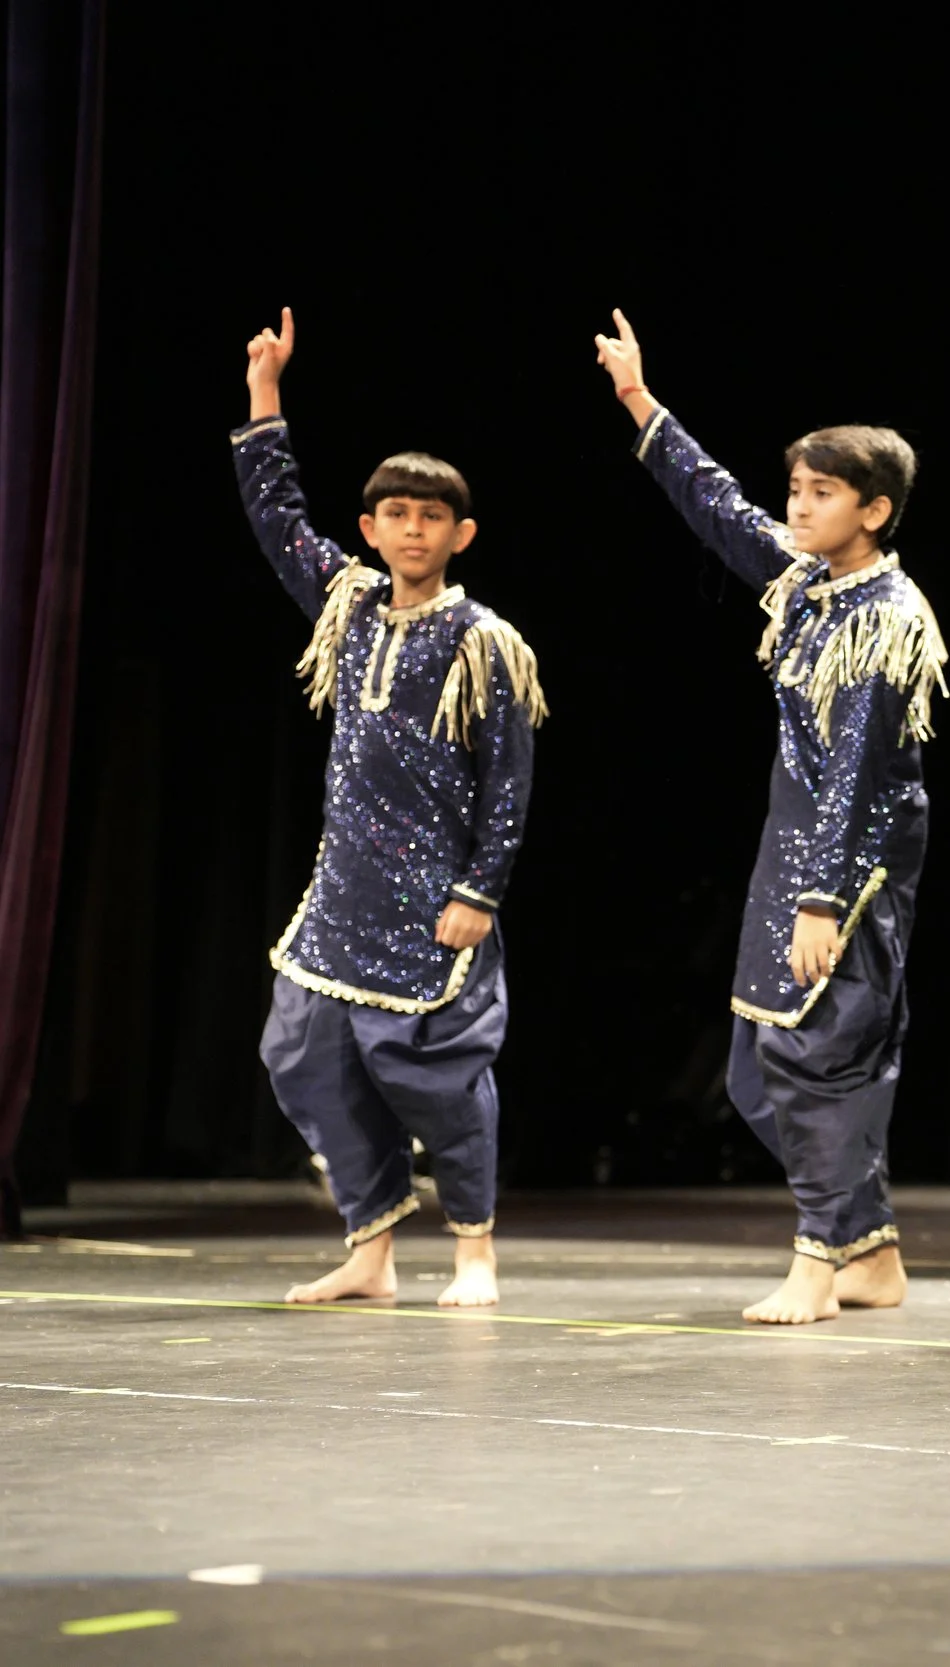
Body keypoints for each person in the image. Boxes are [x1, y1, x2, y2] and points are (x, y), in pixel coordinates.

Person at [593, 310, 944, 1325]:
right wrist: (639, 401)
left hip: (851, 859)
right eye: (795, 486)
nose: (796, 504)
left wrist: (824, 897)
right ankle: (868, 1247)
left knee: (815, 1058)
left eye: (820, 491)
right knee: (756, 1071)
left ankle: (817, 1261)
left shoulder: (885, 620)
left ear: (872, 510)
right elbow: (718, 508)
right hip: (787, 850)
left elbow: (859, 779)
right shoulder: (806, 587)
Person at [232, 308, 544, 1308]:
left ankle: (474, 1248)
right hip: (343, 891)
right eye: (395, 515)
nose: (412, 530)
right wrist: (266, 395)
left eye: (430, 516)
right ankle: (370, 1243)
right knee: (299, 1052)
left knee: (438, 1078)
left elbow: (508, 780)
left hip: (431, 898)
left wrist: (478, 891)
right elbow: (277, 514)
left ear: (461, 533)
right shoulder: (347, 605)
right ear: (369, 530)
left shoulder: (485, 641)